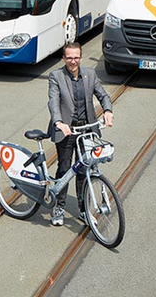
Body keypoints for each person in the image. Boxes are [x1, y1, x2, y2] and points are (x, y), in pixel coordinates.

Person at [47, 41, 114, 227]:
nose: (73, 61)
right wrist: (59, 122)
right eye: (69, 58)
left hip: (86, 129)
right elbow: (53, 101)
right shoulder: (56, 76)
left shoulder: (90, 75)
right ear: (63, 58)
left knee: (84, 171)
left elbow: (103, 95)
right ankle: (59, 207)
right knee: (65, 168)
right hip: (67, 130)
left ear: (81, 58)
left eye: (76, 57)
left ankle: (83, 210)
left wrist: (107, 110)